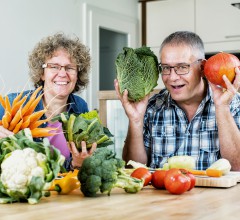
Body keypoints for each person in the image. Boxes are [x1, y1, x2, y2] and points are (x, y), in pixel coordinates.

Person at [115, 31, 240, 171]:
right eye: (166, 68)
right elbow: (132, 168)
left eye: (182, 67)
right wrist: (135, 121)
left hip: (215, 193)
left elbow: (237, 168)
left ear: (202, 67)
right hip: (163, 193)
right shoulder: (152, 108)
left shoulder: (233, 104)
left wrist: (222, 108)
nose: (172, 77)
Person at [0, 32, 97, 171]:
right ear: (41, 73)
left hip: (62, 190)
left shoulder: (80, 107)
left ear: (78, 75)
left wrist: (78, 163)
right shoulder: (15, 104)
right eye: (54, 66)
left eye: (70, 67)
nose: (63, 73)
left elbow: (76, 165)